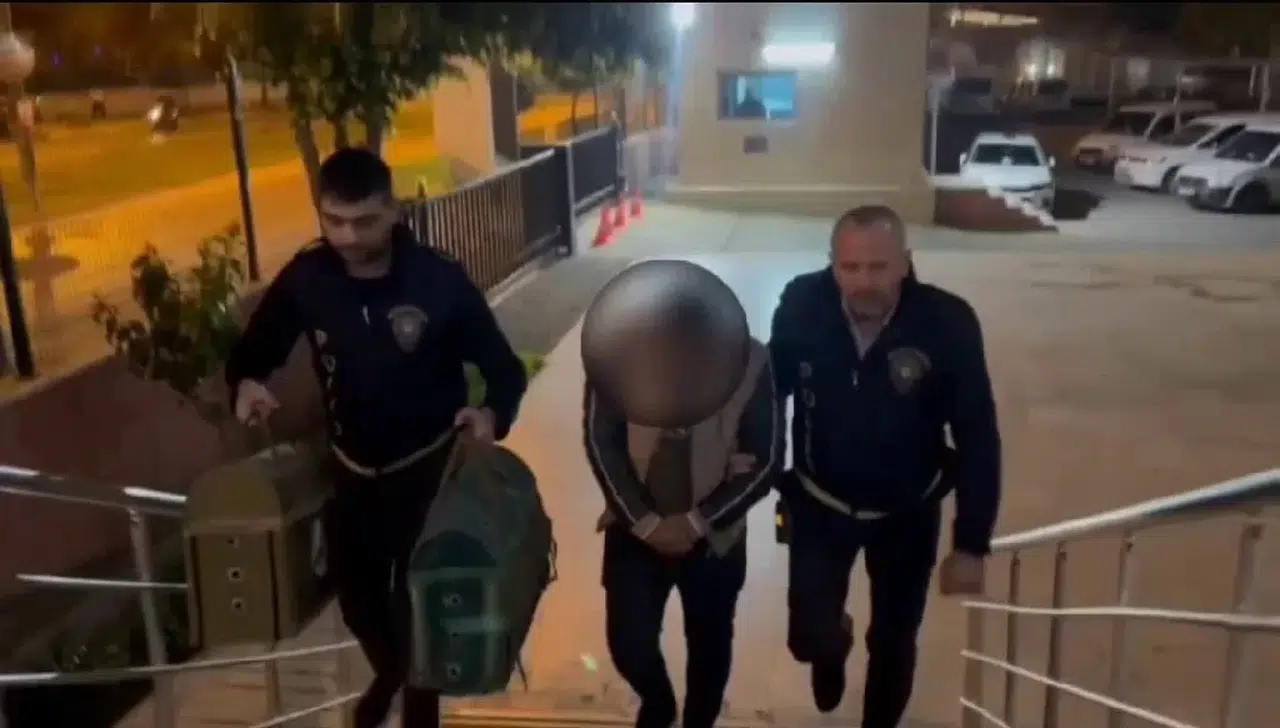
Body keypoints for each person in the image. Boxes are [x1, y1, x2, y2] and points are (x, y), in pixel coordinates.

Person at [224, 147, 529, 728]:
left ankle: (417, 705)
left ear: (394, 210)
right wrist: (247, 383)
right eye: (333, 220)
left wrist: (491, 415)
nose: (346, 236)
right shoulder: (309, 278)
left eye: (364, 221)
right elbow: (255, 349)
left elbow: (505, 370)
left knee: (418, 601)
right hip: (353, 471)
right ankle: (392, 674)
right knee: (357, 599)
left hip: (430, 470)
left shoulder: (438, 280)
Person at [769, 205, 1001, 727]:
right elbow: (770, 392)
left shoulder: (947, 323)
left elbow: (978, 434)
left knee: (894, 640)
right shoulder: (802, 304)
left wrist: (971, 542)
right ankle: (833, 643)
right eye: (849, 267)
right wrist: (756, 468)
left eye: (878, 267)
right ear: (832, 263)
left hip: (907, 514)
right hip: (819, 504)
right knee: (808, 636)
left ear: (905, 262)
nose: (863, 282)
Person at [584, 331, 784, 728]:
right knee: (629, 644)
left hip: (715, 534)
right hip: (633, 526)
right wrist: (644, 522)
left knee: (709, 645)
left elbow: (765, 460)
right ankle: (658, 704)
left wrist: (697, 521)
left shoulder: (752, 361)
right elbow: (602, 441)